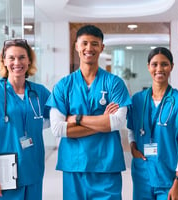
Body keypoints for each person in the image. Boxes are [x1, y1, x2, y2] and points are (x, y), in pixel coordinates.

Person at [46, 24, 131, 200]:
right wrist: (103, 122)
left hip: (106, 165)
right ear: (76, 46)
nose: (89, 48)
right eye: (84, 43)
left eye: (94, 43)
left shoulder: (115, 83)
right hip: (74, 166)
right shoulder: (63, 86)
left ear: (102, 47)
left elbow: (118, 123)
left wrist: (77, 119)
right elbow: (57, 129)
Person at [0, 39, 51, 199]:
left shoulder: (39, 92)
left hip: (33, 169)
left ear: (29, 61)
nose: (17, 62)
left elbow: (53, 119)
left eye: (22, 57)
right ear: (4, 61)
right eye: (11, 58)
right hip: (4, 175)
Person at [127, 47, 178, 200]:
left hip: (169, 178)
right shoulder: (137, 100)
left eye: (164, 64)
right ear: (148, 67)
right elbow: (131, 128)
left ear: (172, 67)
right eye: (154, 64)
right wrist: (132, 146)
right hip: (143, 175)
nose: (159, 69)